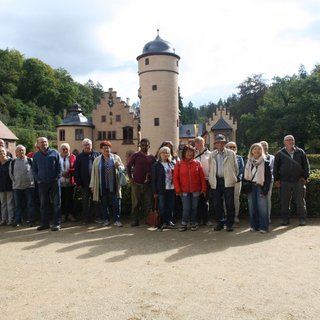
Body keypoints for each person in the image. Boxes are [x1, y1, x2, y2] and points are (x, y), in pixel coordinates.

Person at [273, 135, 310, 226]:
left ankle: (302, 219)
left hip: (298, 181)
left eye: (292, 140)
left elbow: (306, 165)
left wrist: (305, 177)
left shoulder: (301, 152)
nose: (290, 141)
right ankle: (285, 220)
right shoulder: (280, 153)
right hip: (284, 181)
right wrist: (277, 179)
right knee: (285, 202)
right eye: (288, 140)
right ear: (284, 142)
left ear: (294, 141)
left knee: (300, 201)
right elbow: (275, 168)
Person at [90, 141, 125, 227]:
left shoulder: (116, 157)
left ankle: (117, 220)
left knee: (116, 202)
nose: (107, 149)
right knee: (104, 203)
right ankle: (106, 219)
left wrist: (119, 167)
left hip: (114, 185)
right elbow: (94, 173)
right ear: (101, 149)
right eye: (104, 148)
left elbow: (122, 167)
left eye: (108, 147)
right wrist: (92, 186)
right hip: (103, 185)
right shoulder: (97, 160)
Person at [208, 134, 238, 232]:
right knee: (217, 204)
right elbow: (210, 168)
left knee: (229, 203)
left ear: (224, 143)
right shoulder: (212, 154)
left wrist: (232, 177)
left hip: (227, 180)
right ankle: (220, 223)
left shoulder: (231, 153)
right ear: (215, 144)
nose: (220, 144)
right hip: (216, 181)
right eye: (218, 142)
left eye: (222, 142)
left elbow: (235, 168)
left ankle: (229, 224)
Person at [173, 144, 206, 231]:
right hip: (184, 191)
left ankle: (193, 223)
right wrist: (178, 189)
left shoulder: (197, 163)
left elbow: (202, 177)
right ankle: (184, 223)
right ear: (184, 153)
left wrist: (203, 189)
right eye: (187, 151)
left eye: (191, 151)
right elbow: (175, 178)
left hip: (196, 190)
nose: (189, 153)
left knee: (194, 208)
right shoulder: (179, 164)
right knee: (186, 208)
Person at [32, 137, 62, 231]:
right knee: (44, 204)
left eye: (45, 142)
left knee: (56, 203)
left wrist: (57, 177)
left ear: (48, 143)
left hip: (54, 182)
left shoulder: (55, 153)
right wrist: (38, 179)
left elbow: (59, 167)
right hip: (42, 183)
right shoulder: (36, 156)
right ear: (38, 144)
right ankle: (45, 224)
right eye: (41, 142)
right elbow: (34, 170)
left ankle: (56, 224)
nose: (43, 143)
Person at [126, 138, 156, 227]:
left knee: (148, 203)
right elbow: (128, 166)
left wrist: (150, 176)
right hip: (136, 183)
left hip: (148, 184)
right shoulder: (135, 155)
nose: (144, 146)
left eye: (146, 145)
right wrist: (130, 178)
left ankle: (148, 220)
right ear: (140, 145)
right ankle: (135, 220)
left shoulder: (152, 157)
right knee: (136, 203)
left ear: (149, 146)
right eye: (142, 145)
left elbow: (154, 170)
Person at [243, 143, 272, 233]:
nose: (257, 150)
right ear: (251, 151)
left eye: (259, 149)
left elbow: (268, 178)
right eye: (255, 149)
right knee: (252, 208)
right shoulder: (248, 162)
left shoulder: (266, 162)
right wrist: (245, 190)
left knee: (263, 209)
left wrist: (265, 190)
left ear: (262, 151)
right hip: (251, 187)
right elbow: (245, 177)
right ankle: (254, 226)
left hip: (261, 187)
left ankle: (263, 227)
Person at [74, 138, 100, 225]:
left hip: (96, 183)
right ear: (82, 146)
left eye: (88, 144)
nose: (87, 146)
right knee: (85, 202)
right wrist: (78, 182)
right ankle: (86, 219)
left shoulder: (97, 155)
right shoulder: (79, 157)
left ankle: (96, 217)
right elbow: (76, 170)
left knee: (96, 201)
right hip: (84, 183)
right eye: (85, 144)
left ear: (92, 145)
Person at [9, 145, 35, 227]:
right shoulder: (13, 162)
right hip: (17, 187)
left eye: (22, 150)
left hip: (29, 186)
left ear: (25, 151)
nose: (21, 152)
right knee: (18, 205)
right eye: (19, 150)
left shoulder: (30, 160)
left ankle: (31, 221)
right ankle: (17, 221)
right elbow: (11, 174)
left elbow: (34, 171)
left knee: (30, 204)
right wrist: (16, 181)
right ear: (16, 152)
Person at [152, 146, 176, 230]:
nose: (166, 154)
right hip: (161, 189)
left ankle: (168, 221)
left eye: (167, 152)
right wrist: (155, 191)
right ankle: (161, 222)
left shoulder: (172, 163)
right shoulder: (156, 165)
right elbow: (154, 179)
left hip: (171, 188)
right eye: (164, 153)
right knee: (162, 207)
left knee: (170, 206)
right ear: (160, 154)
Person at [194, 136, 213, 226]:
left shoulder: (210, 154)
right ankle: (197, 220)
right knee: (197, 201)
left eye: (200, 142)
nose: (199, 144)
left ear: (204, 143)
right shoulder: (192, 153)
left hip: (206, 180)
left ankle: (206, 219)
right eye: (197, 142)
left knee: (205, 201)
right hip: (196, 181)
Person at [225, 141, 244, 224]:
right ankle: (227, 215)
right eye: (230, 147)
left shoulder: (239, 158)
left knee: (236, 199)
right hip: (226, 181)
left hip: (236, 182)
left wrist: (238, 178)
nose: (232, 148)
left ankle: (235, 216)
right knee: (226, 199)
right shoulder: (224, 157)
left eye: (233, 147)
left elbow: (241, 170)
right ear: (226, 148)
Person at [59, 143, 77, 223]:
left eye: (66, 149)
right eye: (63, 149)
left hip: (70, 182)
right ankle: (63, 215)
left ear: (69, 150)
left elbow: (76, 168)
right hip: (60, 182)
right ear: (61, 150)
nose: (65, 150)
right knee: (62, 200)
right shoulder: (57, 157)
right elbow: (54, 167)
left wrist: (69, 172)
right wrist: (61, 173)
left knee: (71, 199)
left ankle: (70, 215)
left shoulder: (73, 157)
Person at [260, 141, 275, 223]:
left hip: (269, 180)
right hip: (258, 180)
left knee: (268, 199)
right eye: (262, 145)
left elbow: (274, 169)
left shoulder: (272, 157)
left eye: (265, 145)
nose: (264, 147)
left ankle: (267, 217)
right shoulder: (256, 157)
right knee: (260, 199)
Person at [0, 146, 14, 226]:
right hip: (1, 188)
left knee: (10, 204)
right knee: (3, 204)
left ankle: (10, 220)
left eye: (3, 151)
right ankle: (3, 220)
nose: (2, 153)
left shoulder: (11, 162)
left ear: (6, 152)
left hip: (9, 186)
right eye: (0, 152)